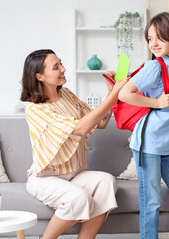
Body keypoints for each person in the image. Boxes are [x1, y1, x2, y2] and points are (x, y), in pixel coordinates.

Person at [20, 49, 128, 239]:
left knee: (107, 182)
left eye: (61, 63)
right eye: (56, 67)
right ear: (40, 76)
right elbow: (80, 129)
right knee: (79, 198)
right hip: (45, 179)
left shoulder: (67, 95)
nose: (63, 69)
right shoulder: (36, 111)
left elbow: (100, 123)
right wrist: (113, 95)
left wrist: (111, 93)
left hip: (74, 174)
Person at [118, 11, 169, 239]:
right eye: (150, 38)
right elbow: (125, 93)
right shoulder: (153, 67)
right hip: (148, 143)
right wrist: (156, 102)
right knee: (151, 203)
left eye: (160, 37)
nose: (153, 43)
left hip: (168, 145)